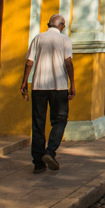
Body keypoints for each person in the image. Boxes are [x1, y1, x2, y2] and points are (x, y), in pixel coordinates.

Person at [20, 14, 75, 174]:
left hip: (38, 86)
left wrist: (24, 82)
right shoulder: (65, 40)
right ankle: (50, 151)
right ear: (62, 26)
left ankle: (38, 163)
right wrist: (73, 83)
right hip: (59, 87)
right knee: (60, 119)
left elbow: (29, 62)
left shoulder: (38, 38)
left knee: (38, 123)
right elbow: (68, 62)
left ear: (48, 24)